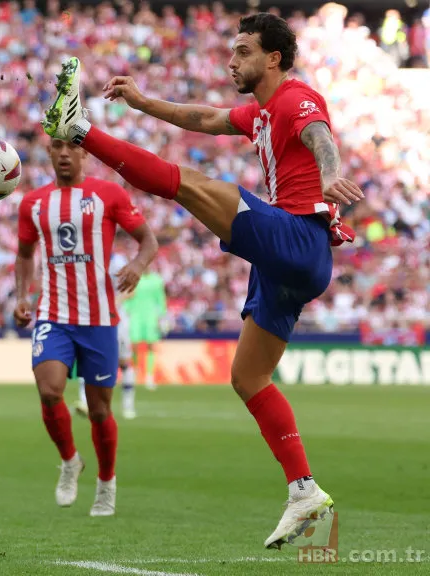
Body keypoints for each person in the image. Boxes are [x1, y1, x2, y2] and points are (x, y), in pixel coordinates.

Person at [41, 13, 364, 548]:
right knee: (247, 378)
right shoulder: (260, 112)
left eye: (242, 51)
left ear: (274, 59)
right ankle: (303, 490)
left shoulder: (292, 98)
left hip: (299, 237)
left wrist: (329, 173)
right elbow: (205, 117)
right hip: (287, 263)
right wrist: (143, 102)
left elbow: (318, 133)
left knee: (188, 185)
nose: (231, 61)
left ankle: (78, 130)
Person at [13, 137, 158, 516]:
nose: (64, 153)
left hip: (99, 319)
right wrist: (21, 297)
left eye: (71, 147)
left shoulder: (108, 194)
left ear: (84, 153)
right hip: (53, 315)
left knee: (98, 411)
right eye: (56, 146)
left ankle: (106, 483)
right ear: (48, 152)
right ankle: (69, 461)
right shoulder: (34, 203)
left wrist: (138, 266)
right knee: (49, 391)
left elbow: (148, 240)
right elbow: (24, 255)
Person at [75, 252, 140, 419]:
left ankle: (128, 405)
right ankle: (84, 401)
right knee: (88, 358)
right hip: (94, 317)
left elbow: (132, 290)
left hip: (117, 319)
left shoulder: (118, 261)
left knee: (124, 363)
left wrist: (114, 302)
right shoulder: (87, 258)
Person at [123, 268, 168, 389]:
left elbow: (160, 299)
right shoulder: (134, 278)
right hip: (135, 316)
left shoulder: (157, 280)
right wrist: (126, 311)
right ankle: (135, 370)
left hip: (150, 316)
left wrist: (162, 316)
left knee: (151, 346)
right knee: (134, 345)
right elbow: (128, 295)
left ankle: (149, 376)